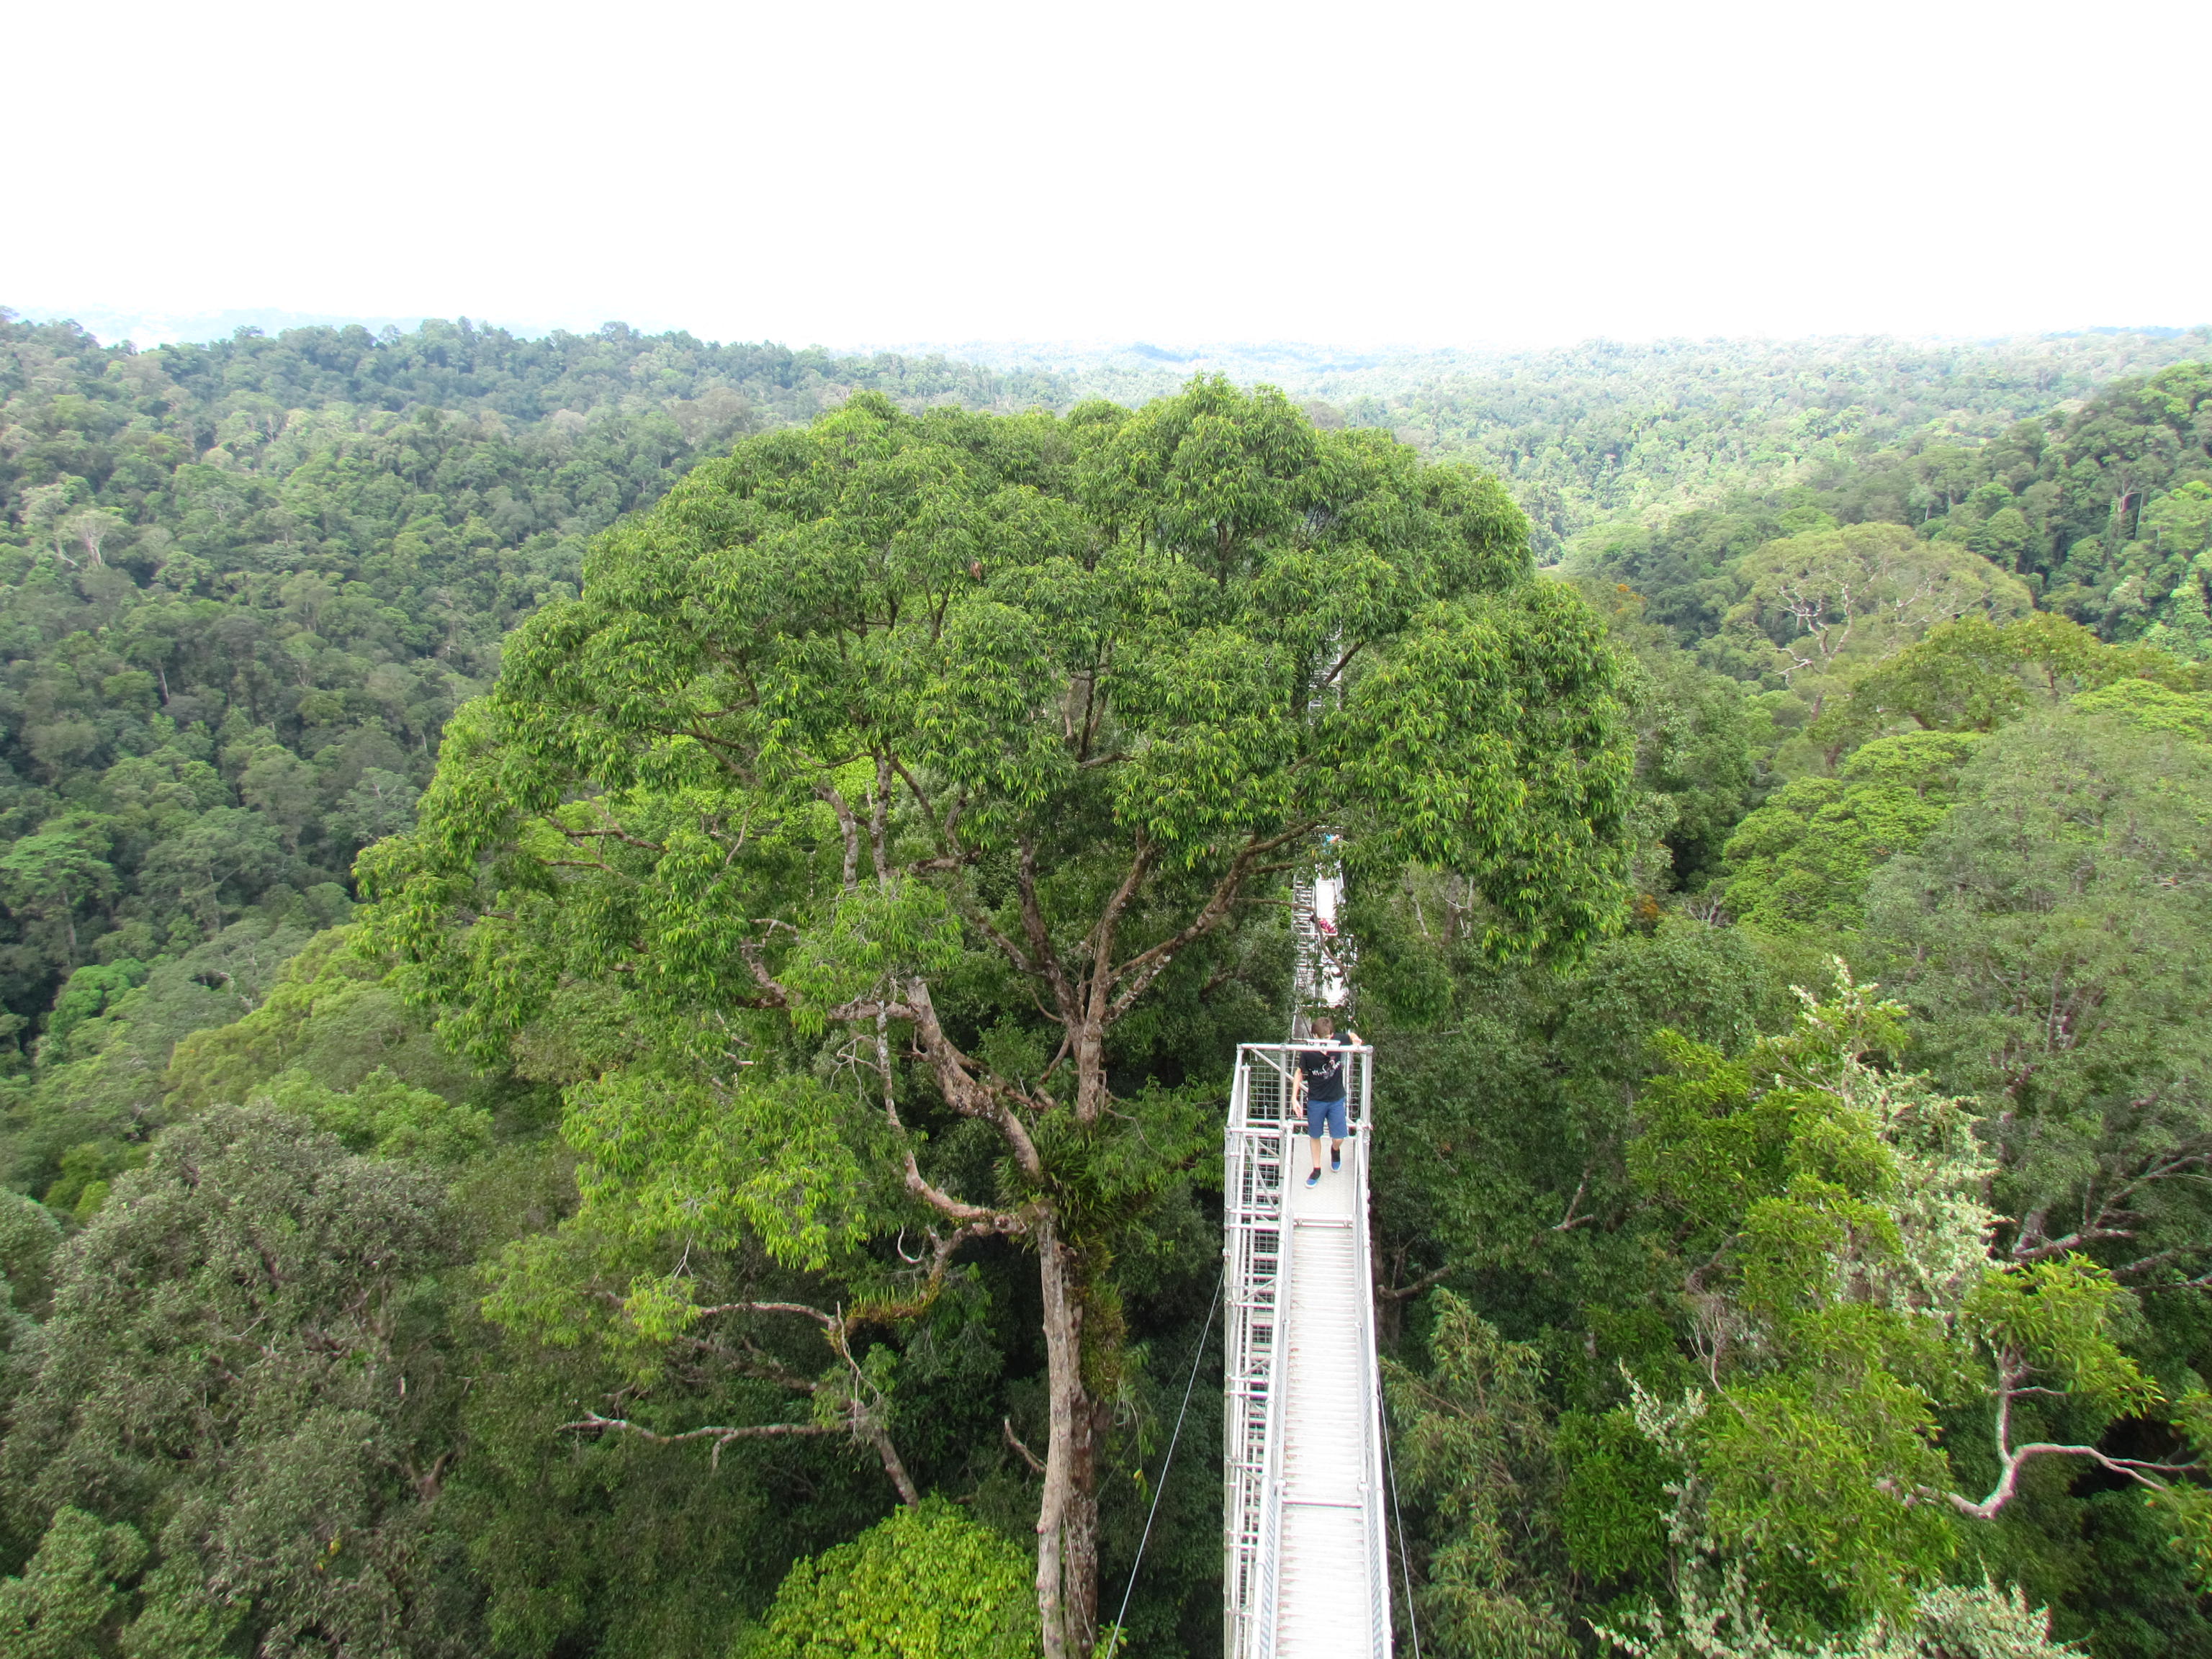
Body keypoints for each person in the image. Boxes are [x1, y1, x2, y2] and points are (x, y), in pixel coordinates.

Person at [1292, 1012, 1361, 1187]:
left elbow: (1350, 1036)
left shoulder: (1337, 1041)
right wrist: (1294, 1099)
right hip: (1316, 1101)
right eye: (1324, 1039)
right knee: (1314, 1135)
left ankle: (1335, 1150)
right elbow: (1299, 1072)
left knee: (1339, 1137)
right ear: (1315, 1037)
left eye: (1330, 1038)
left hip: (1336, 1098)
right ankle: (1317, 1170)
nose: (1328, 1042)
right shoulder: (1308, 1052)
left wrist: (1356, 1039)